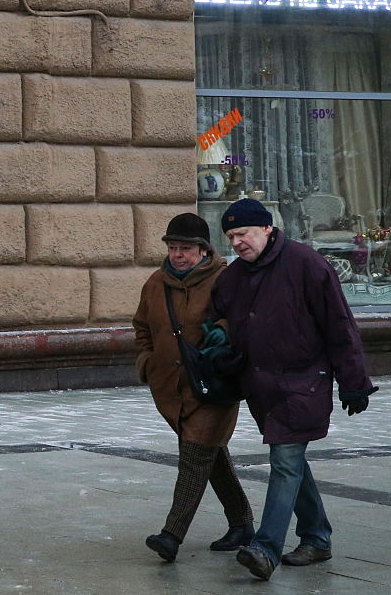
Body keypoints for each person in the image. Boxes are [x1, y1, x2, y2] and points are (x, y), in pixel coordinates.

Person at [210, 198, 377, 581]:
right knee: (293, 463)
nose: (236, 242)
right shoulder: (233, 277)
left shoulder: (307, 265)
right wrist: (220, 350)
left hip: (304, 383)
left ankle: (265, 548)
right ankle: (317, 537)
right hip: (259, 387)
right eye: (231, 236)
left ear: (267, 229)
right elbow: (214, 319)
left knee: (284, 462)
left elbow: (340, 327)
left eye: (243, 234)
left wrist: (354, 382)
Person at [133, 213, 254, 563]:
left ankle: (171, 536)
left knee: (195, 457)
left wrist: (223, 331)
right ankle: (242, 523)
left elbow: (243, 320)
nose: (177, 255)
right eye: (173, 248)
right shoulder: (156, 283)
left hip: (215, 386)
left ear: (202, 250)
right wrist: (147, 363)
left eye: (184, 249)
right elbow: (142, 327)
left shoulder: (227, 279)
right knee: (210, 456)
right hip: (171, 390)